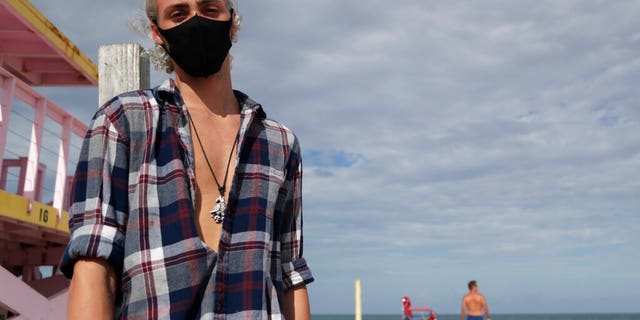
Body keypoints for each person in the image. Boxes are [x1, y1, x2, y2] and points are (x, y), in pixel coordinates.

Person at [60, 0, 314, 318]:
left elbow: (290, 274)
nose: (196, 21)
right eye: (178, 14)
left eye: (210, 9)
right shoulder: (123, 122)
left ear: (232, 21)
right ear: (157, 32)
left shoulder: (279, 144)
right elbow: (93, 264)